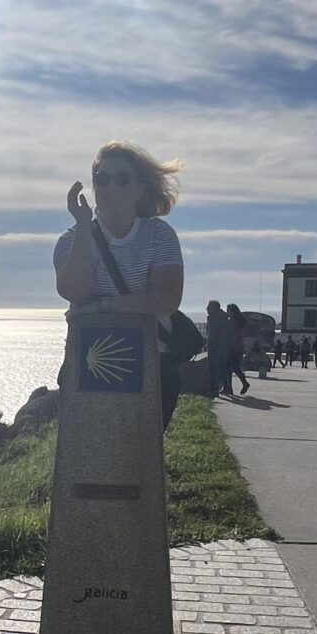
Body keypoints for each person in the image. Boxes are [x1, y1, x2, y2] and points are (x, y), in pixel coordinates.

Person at [54, 140, 185, 429]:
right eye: (102, 179)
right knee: (86, 450)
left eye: (122, 179)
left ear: (139, 188)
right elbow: (75, 291)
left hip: (151, 364)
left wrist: (102, 306)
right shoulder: (71, 240)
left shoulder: (159, 236)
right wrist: (84, 227)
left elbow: (166, 299)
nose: (110, 187)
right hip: (86, 362)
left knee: (140, 453)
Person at [205, 300, 231, 396]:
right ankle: (227, 388)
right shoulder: (223, 317)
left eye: (208, 306)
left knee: (213, 369)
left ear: (213, 308)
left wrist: (208, 345)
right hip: (224, 347)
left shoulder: (214, 318)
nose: (206, 308)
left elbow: (212, 334)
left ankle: (214, 390)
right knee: (222, 368)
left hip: (215, 347)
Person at [224, 303, 250, 395]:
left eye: (228, 311)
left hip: (233, 347)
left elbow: (230, 334)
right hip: (239, 347)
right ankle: (229, 388)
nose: (227, 312)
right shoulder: (240, 321)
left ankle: (242, 384)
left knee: (231, 367)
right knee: (231, 367)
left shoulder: (232, 321)